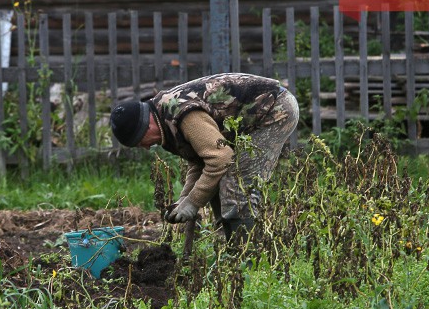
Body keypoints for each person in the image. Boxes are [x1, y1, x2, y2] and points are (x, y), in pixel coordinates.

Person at [110, 73, 299, 248]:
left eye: (139, 142)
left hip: (275, 109)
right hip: (253, 117)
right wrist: (184, 199)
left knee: (237, 184)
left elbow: (220, 158)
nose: (145, 147)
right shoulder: (164, 117)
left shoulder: (182, 114)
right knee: (222, 182)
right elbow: (201, 162)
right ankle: (231, 246)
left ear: (146, 126)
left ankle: (248, 259)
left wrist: (193, 202)